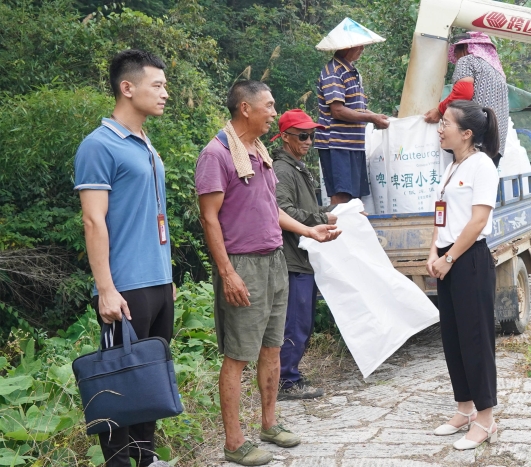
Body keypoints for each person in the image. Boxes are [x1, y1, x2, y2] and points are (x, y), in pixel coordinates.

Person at [195, 81, 341, 466]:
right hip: (243, 264)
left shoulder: (258, 151)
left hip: (275, 259)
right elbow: (209, 218)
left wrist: (309, 230)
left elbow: (269, 208)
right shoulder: (217, 154)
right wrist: (227, 273)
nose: (274, 113)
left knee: (272, 348)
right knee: (238, 355)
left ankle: (269, 424)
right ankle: (234, 442)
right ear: (245, 108)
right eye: (269, 105)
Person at [74, 49, 174, 467]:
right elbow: (93, 221)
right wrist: (106, 289)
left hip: (157, 281)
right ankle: (117, 463)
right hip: (125, 285)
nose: (165, 93)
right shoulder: (98, 145)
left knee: (150, 378)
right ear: (127, 87)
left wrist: (168, 277)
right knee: (119, 380)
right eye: (158, 85)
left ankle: (147, 459)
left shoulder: (146, 143)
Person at [426, 100, 500, 451]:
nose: (440, 129)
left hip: (468, 259)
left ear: (467, 133)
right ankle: (465, 409)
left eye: (446, 124)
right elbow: (440, 214)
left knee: (475, 339)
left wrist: (450, 257)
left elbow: (478, 220)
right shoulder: (452, 166)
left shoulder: (482, 165)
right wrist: (433, 251)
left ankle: (486, 420)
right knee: (453, 338)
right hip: (446, 258)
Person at [270, 109, 336, 400]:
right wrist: (319, 219)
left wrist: (335, 212)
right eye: (303, 136)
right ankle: (286, 380)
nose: (309, 141)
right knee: (295, 322)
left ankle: (290, 374)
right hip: (292, 259)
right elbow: (281, 211)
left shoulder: (296, 167)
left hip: (302, 257)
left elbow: (305, 209)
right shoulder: (283, 170)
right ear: (285, 137)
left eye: (312, 135)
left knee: (302, 321)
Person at [314, 18, 391, 204]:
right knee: (341, 195)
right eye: (359, 45)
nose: (362, 49)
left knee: (353, 196)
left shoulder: (350, 71)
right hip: (337, 143)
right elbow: (338, 111)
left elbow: (357, 108)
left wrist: (373, 115)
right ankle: (340, 224)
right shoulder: (333, 72)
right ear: (347, 47)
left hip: (352, 143)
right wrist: (372, 119)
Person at [425, 32, 509, 167]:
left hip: (472, 140)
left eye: (456, 52)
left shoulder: (467, 60)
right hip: (495, 142)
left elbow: (463, 92)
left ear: (465, 47)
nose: (456, 57)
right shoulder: (498, 72)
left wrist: (440, 111)